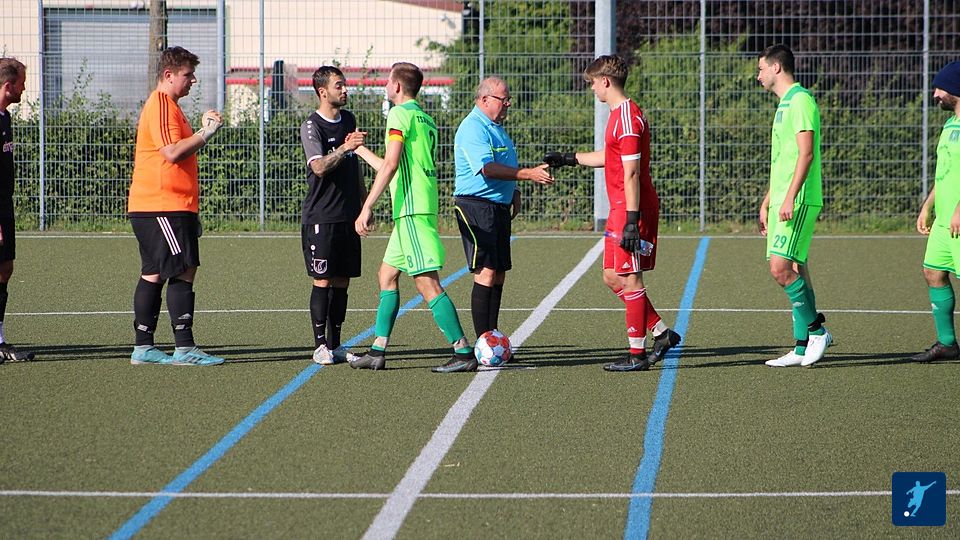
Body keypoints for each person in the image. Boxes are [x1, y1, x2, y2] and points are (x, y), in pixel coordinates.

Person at [544, 54, 681, 372]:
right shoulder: (618, 115)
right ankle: (661, 333)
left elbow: (631, 172)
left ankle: (637, 354)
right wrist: (568, 158)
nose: (592, 89)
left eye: (592, 83)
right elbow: (611, 156)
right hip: (621, 207)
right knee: (611, 276)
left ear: (605, 81)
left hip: (632, 209)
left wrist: (632, 221)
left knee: (630, 277)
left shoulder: (628, 118)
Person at [351, 62, 474, 373]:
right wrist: (361, 151)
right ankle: (378, 350)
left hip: (411, 209)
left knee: (426, 282)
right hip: (415, 208)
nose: (385, 86)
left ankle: (463, 351)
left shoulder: (399, 114)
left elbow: (391, 164)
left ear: (397, 86)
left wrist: (367, 206)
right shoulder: (424, 118)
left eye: (387, 82)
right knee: (387, 275)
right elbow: (395, 165)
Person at [127, 46, 224, 366]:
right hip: (162, 205)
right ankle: (184, 347)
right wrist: (206, 132)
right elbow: (171, 152)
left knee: (154, 273)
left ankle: (144, 347)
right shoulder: (161, 104)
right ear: (168, 75)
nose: (193, 80)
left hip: (162, 205)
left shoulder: (169, 105)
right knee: (183, 268)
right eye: (188, 74)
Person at [453, 76, 553, 341]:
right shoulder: (473, 127)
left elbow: (504, 162)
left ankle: (492, 336)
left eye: (508, 99)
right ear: (485, 99)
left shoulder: (497, 127)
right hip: (477, 207)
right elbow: (487, 168)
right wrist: (527, 174)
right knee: (485, 271)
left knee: (498, 273)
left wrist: (515, 191)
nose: (508, 103)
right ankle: (483, 342)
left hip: (497, 207)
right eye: (503, 99)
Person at [755, 44, 831, 367]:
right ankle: (801, 347)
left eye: (761, 69)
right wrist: (768, 201)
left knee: (780, 269)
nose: (758, 76)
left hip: (798, 200)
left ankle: (817, 331)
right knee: (795, 268)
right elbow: (784, 161)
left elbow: (806, 154)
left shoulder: (800, 100)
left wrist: (788, 198)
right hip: (783, 201)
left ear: (776, 67)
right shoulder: (785, 104)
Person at [299, 66, 367, 365]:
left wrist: (365, 205)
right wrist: (344, 147)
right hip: (321, 217)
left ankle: (336, 344)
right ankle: (320, 346)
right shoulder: (311, 126)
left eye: (345, 84)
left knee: (342, 282)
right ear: (322, 91)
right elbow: (318, 167)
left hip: (348, 217)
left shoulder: (349, 119)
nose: (345, 89)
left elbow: (355, 165)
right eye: (339, 85)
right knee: (323, 280)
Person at [913, 60, 960, 363]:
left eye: (940, 88)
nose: (935, 95)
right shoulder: (950, 124)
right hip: (944, 221)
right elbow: (945, 173)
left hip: (958, 218)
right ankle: (947, 343)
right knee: (933, 272)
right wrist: (928, 205)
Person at [0, 57, 34, 363]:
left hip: (4, 204)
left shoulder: (5, 118)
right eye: (22, 83)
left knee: (5, 268)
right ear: (8, 85)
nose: (24, 88)